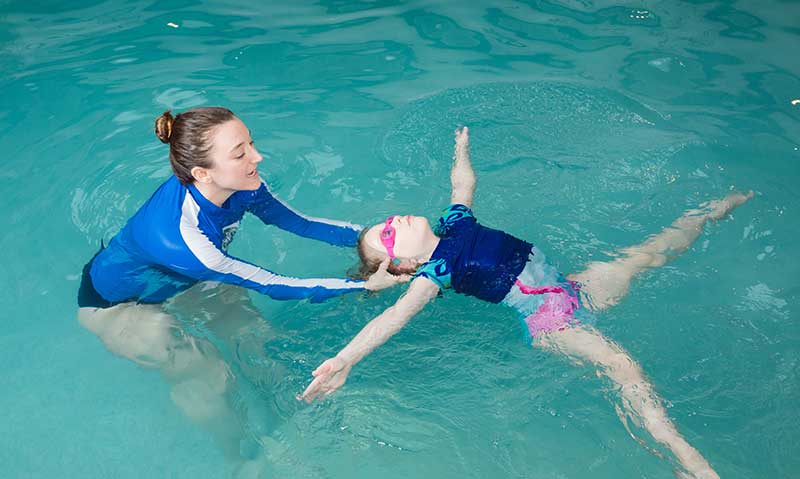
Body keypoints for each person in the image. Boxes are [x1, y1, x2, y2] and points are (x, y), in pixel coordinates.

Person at [300, 126, 752, 479]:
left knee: (653, 250)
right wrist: (345, 359)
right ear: (403, 265)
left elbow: (463, 185)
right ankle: (685, 458)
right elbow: (394, 320)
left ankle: (709, 213)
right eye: (389, 236)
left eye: (385, 223)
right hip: (551, 320)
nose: (392, 221)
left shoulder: (454, 223)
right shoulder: (434, 275)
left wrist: (461, 151)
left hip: (570, 288)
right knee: (623, 368)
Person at [77, 107, 404, 462]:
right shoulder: (179, 238)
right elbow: (275, 284)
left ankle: (293, 413)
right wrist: (366, 286)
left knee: (256, 338)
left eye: (251, 143)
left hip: (186, 279)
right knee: (208, 372)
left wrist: (378, 240)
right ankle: (244, 457)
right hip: (120, 305)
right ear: (202, 173)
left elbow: (303, 224)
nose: (257, 157)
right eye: (240, 153)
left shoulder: (244, 185)